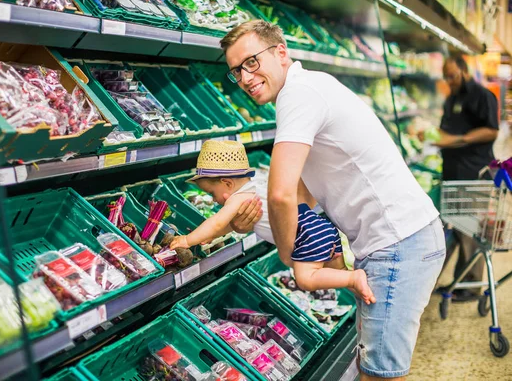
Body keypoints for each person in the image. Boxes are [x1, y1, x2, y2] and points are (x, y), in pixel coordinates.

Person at [219, 20, 445, 381]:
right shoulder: (310, 86)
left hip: (399, 244)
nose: (245, 77)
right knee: (366, 364)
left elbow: (281, 193)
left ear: (280, 52)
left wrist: (287, 251)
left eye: (251, 62)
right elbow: (303, 194)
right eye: (236, 71)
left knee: (380, 374)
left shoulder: (299, 95)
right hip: (396, 240)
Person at [170, 140, 376, 304]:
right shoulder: (259, 183)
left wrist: (188, 240)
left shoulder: (238, 198)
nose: (214, 200)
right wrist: (209, 237)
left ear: (227, 183)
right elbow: (223, 227)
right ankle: (364, 292)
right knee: (336, 271)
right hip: (319, 226)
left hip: (305, 235)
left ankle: (354, 279)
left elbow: (216, 222)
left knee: (306, 278)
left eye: (212, 194)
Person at [433, 57, 499, 301]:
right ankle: (460, 282)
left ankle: (471, 287)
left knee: (470, 229)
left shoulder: (483, 96)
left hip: (474, 172)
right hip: (453, 172)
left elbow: (492, 130)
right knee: (460, 228)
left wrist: (458, 140)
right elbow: (444, 131)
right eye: (446, 77)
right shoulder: (452, 99)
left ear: (463, 70)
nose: (449, 81)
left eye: (452, 76)